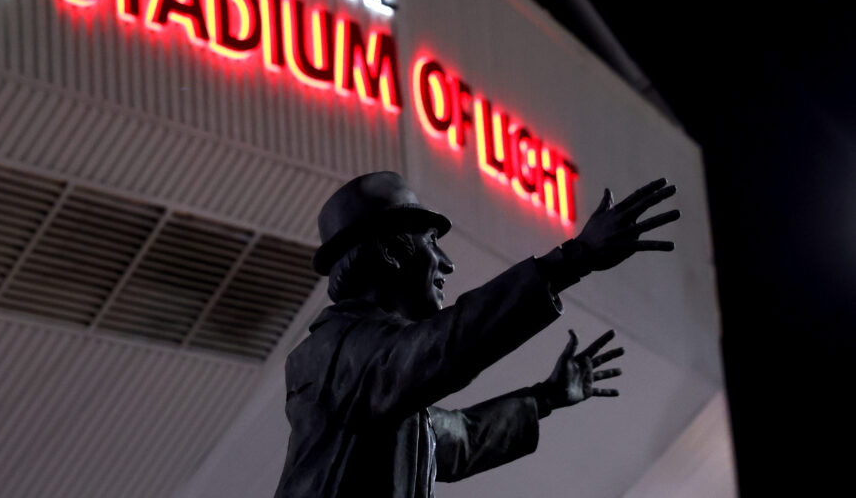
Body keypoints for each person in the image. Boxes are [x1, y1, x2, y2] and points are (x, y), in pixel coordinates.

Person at [274, 171, 679, 498]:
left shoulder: (378, 380)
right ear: (391, 251)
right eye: (431, 241)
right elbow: (447, 345)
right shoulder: (332, 355)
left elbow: (456, 438)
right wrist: (574, 258)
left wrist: (546, 397)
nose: (447, 264)